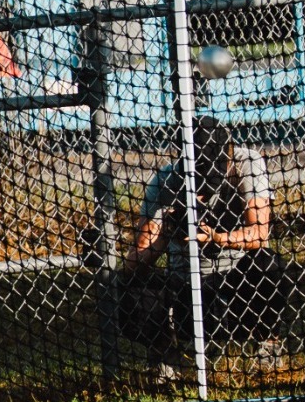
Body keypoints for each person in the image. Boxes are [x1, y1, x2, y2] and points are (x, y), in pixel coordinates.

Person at [120, 115, 286, 381]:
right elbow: (134, 261)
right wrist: (166, 234)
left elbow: (260, 234)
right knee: (137, 283)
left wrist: (216, 237)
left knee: (268, 263)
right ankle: (165, 357)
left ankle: (268, 346)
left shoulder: (247, 163)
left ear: (229, 154)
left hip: (236, 286)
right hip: (185, 286)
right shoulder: (166, 180)